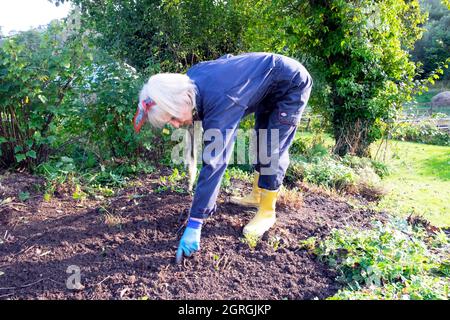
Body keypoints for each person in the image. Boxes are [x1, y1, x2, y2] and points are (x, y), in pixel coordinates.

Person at [133, 52, 313, 263]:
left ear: (181, 100)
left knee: (271, 146)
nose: (174, 124)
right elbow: (226, 61)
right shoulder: (191, 81)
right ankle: (257, 195)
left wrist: (195, 222)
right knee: (259, 139)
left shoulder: (221, 100)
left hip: (290, 84)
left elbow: (215, 161)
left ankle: (267, 210)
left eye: (172, 117)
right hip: (269, 83)